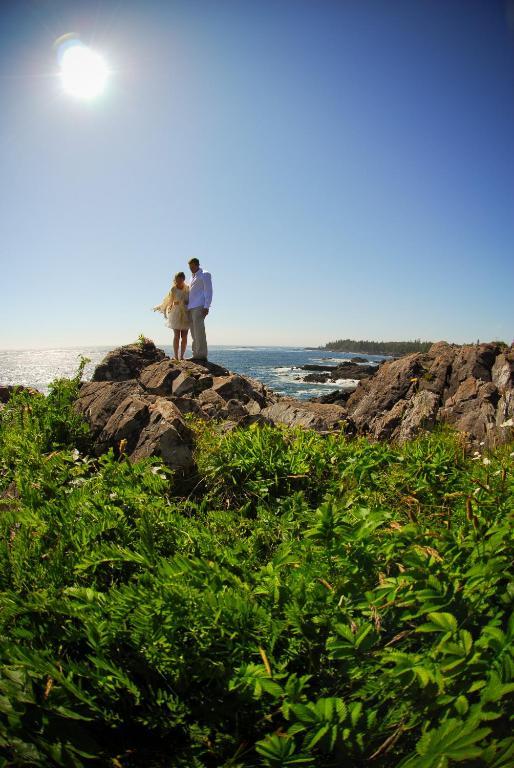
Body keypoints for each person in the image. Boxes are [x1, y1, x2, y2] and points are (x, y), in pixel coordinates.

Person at [153, 272, 190, 360]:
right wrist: (168, 307)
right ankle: (176, 356)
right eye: (177, 279)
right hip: (176, 312)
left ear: (183, 279)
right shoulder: (173, 289)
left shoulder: (187, 288)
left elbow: (190, 299)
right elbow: (170, 301)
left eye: (180, 279)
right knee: (176, 335)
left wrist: (186, 303)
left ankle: (182, 356)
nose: (178, 281)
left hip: (185, 312)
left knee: (184, 336)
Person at [187, 258, 212, 361]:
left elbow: (208, 291)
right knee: (193, 332)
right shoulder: (192, 277)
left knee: (199, 331)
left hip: (199, 306)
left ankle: (201, 355)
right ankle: (195, 354)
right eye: (190, 267)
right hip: (191, 307)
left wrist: (206, 306)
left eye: (192, 267)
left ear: (197, 265)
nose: (191, 269)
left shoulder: (205, 274)